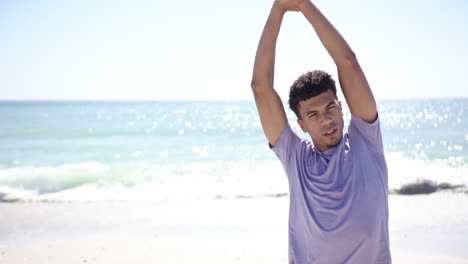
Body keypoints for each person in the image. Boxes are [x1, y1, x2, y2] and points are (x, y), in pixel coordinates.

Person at [250, 0, 391, 263]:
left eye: (329, 108)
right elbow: (260, 87)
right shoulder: (296, 157)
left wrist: (304, 5)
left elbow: (348, 62)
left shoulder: (366, 141)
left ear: (340, 106)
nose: (326, 120)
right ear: (301, 124)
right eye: (313, 115)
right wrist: (279, 9)